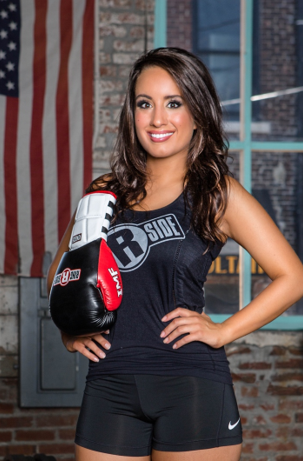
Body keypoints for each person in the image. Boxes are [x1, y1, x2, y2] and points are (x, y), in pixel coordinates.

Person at [47, 47, 303, 461]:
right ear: (131, 113)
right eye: (144, 104)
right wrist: (70, 329)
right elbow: (62, 274)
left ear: (197, 112)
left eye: (174, 103)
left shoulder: (217, 193)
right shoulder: (106, 191)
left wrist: (223, 331)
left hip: (192, 386)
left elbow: (294, 276)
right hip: (110, 384)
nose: (158, 119)